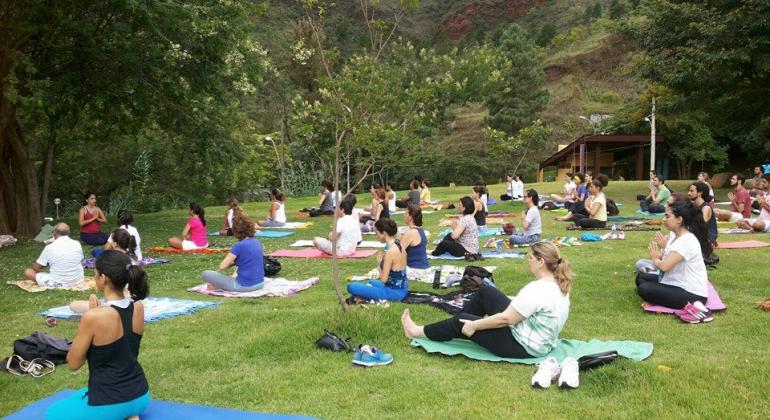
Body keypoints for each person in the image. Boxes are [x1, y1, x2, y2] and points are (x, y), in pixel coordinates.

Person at [401, 241, 573, 360]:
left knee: (461, 322)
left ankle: (416, 331)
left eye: (531, 258)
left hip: (525, 346)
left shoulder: (537, 289)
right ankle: (454, 328)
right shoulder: (558, 284)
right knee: (487, 292)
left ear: (541, 262)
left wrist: (474, 325)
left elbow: (506, 319)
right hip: (537, 339)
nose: (528, 261)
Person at [45, 250, 150, 420]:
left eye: (95, 273)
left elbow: (73, 363)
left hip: (109, 403)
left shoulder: (94, 316)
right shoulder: (138, 307)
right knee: (81, 394)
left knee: (52, 414)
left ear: (104, 278)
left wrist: (90, 319)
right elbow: (121, 348)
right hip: (141, 396)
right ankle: (129, 413)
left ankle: (118, 413)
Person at [634, 198, 711, 315]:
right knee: (641, 277)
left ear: (679, 219)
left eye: (667, 216)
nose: (664, 219)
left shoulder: (686, 240)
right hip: (675, 282)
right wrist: (660, 255)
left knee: (644, 289)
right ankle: (661, 296)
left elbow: (664, 267)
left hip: (692, 293)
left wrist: (655, 258)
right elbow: (668, 260)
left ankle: (695, 305)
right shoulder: (675, 236)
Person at [347, 218, 408, 302]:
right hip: (401, 289)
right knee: (372, 282)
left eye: (377, 233)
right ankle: (363, 296)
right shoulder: (399, 245)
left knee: (352, 286)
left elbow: (383, 280)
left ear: (384, 233)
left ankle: (362, 297)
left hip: (393, 292)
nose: (376, 236)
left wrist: (379, 263)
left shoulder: (390, 252)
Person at [202, 213, 265, 292]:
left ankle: (218, 285)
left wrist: (234, 262)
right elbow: (250, 260)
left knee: (206, 273)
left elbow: (222, 266)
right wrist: (237, 261)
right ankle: (219, 285)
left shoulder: (239, 246)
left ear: (235, 230)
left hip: (244, 286)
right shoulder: (256, 242)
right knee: (229, 277)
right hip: (260, 284)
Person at [23, 223, 84, 288]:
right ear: (68, 233)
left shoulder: (50, 247)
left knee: (28, 271)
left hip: (58, 283)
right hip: (78, 281)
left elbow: (36, 268)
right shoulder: (77, 244)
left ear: (54, 233)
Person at [400, 205, 429, 272]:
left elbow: (397, 251)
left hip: (415, 268)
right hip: (422, 265)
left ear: (410, 217)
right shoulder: (420, 229)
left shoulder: (411, 232)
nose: (404, 215)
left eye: (406, 213)